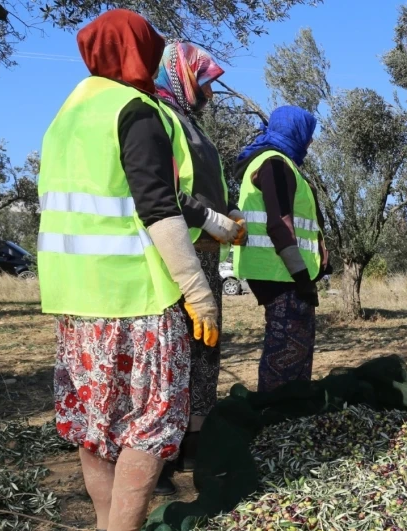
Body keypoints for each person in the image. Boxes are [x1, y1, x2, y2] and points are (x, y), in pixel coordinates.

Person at [37, 10, 219, 531]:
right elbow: (159, 209)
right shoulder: (135, 111)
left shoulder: (65, 116)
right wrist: (198, 291)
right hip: (137, 300)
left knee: (95, 426)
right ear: (137, 52)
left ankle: (102, 529)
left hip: (76, 304)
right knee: (150, 425)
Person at [152, 41, 245, 495]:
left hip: (207, 254)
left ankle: (194, 443)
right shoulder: (159, 118)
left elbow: (205, 187)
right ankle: (162, 459)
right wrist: (213, 219)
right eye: (203, 81)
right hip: (176, 258)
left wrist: (228, 217)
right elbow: (162, 191)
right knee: (173, 354)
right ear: (182, 76)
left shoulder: (192, 125)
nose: (209, 92)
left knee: (204, 353)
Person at [233, 106, 330, 392]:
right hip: (282, 276)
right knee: (286, 354)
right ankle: (277, 419)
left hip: (282, 274)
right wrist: (302, 279)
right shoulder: (275, 164)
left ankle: (287, 417)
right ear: (295, 132)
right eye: (308, 135)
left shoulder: (274, 162)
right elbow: (280, 226)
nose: (310, 142)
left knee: (292, 349)